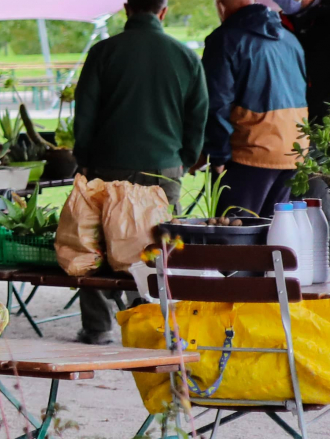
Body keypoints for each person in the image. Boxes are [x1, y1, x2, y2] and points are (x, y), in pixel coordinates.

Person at [70, 0, 207, 345]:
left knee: (97, 242)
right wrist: (186, 157)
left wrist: (84, 158)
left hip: (108, 163)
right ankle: (156, 320)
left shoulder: (104, 52)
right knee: (157, 244)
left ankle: (98, 326)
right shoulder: (185, 55)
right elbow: (198, 116)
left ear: (127, 9)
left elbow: (84, 112)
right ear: (164, 11)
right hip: (164, 167)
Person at [203, 0, 309, 218]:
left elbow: (215, 103)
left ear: (220, 4)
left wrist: (218, 157)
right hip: (293, 151)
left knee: (235, 239)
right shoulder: (289, 39)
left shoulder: (225, 39)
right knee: (273, 238)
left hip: (249, 154)